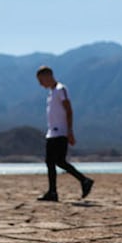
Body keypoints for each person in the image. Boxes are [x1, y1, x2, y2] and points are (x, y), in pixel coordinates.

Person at [35, 65, 94, 201]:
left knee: (58, 161)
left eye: (41, 80)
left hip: (60, 132)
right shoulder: (52, 93)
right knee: (51, 162)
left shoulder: (60, 90)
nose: (40, 84)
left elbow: (69, 110)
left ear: (48, 76)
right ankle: (53, 192)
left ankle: (84, 180)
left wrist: (69, 131)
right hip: (52, 132)